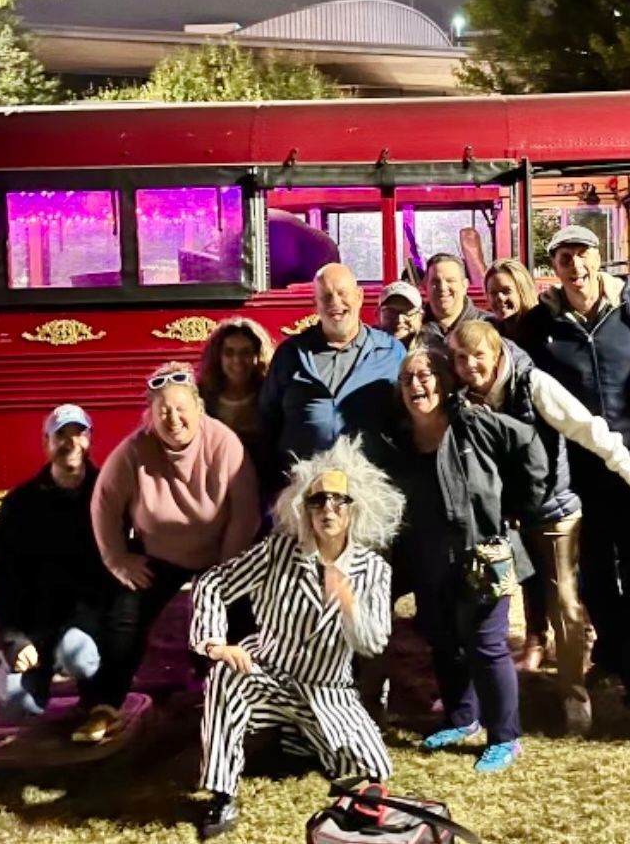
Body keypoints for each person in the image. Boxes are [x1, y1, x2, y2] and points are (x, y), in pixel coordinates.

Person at [449, 319, 630, 736]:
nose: (471, 366)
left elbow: (588, 428)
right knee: (486, 602)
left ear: (498, 354)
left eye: (479, 356)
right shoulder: (459, 397)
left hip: (553, 510)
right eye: (462, 359)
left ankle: (575, 699)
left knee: (567, 605)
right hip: (501, 518)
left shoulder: (533, 384)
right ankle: (481, 698)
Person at [518, 225, 630, 747]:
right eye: (564, 257)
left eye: (583, 255)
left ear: (599, 259)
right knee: (591, 581)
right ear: (556, 268)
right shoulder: (542, 326)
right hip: (578, 472)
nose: (576, 266)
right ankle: (614, 653)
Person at [192, 439, 403, 840]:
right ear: (302, 508)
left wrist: (347, 601)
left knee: (373, 770)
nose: (328, 509)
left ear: (356, 508)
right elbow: (213, 583)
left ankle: (295, 738)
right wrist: (215, 642)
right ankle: (221, 794)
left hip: (328, 690)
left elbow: (373, 644)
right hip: (266, 672)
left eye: (340, 500)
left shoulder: (373, 568)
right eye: (317, 500)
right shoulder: (278, 550)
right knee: (223, 675)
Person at [379, 347, 549, 773]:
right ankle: (462, 718)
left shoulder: (472, 422)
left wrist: (520, 508)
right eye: (407, 379)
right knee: (444, 640)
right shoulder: (398, 438)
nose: (416, 385)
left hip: (484, 551)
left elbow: (529, 444)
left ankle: (505, 737)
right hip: (428, 553)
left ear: (445, 380)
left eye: (426, 375)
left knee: (486, 644)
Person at [75, 363, 260, 744]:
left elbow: (246, 511)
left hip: (220, 552)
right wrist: (117, 558)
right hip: (156, 552)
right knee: (124, 620)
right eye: (162, 411)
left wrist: (225, 573)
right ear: (150, 415)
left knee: (240, 620)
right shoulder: (133, 450)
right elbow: (104, 505)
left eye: (180, 409)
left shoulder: (224, 443)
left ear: (199, 409)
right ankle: (103, 707)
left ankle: (240, 699)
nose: (172, 419)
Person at [0, 404, 111, 721]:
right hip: (34, 628)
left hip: (82, 627)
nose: (70, 443)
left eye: (78, 434)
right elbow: (0, 579)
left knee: (80, 657)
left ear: (89, 441)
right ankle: (18, 677)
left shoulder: (108, 495)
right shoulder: (18, 504)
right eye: (60, 436)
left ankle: (94, 690)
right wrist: (14, 640)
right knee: (17, 709)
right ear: (46, 444)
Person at [258, 263, 405, 495]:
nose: (335, 303)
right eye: (326, 296)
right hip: (305, 494)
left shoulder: (391, 352)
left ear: (359, 296)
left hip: (370, 495)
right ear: (315, 304)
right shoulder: (291, 354)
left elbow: (407, 419)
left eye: (342, 293)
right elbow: (267, 420)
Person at [198, 317, 275, 481]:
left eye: (245, 352)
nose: (237, 360)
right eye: (229, 352)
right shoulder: (201, 396)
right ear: (218, 357)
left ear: (258, 356)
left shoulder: (270, 394)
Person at [421, 252, 487, 344]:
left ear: (464, 285)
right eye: (435, 281)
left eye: (450, 280)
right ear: (425, 286)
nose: (442, 287)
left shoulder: (489, 324)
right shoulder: (414, 326)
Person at [484, 258, 539, 345]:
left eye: (506, 291)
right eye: (493, 293)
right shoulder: (487, 332)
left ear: (523, 291)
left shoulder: (543, 329)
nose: (500, 298)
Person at [375, 280, 426, 349]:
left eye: (408, 312)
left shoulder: (432, 352)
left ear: (421, 317)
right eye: (391, 312)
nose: (399, 320)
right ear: (377, 315)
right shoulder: (365, 353)